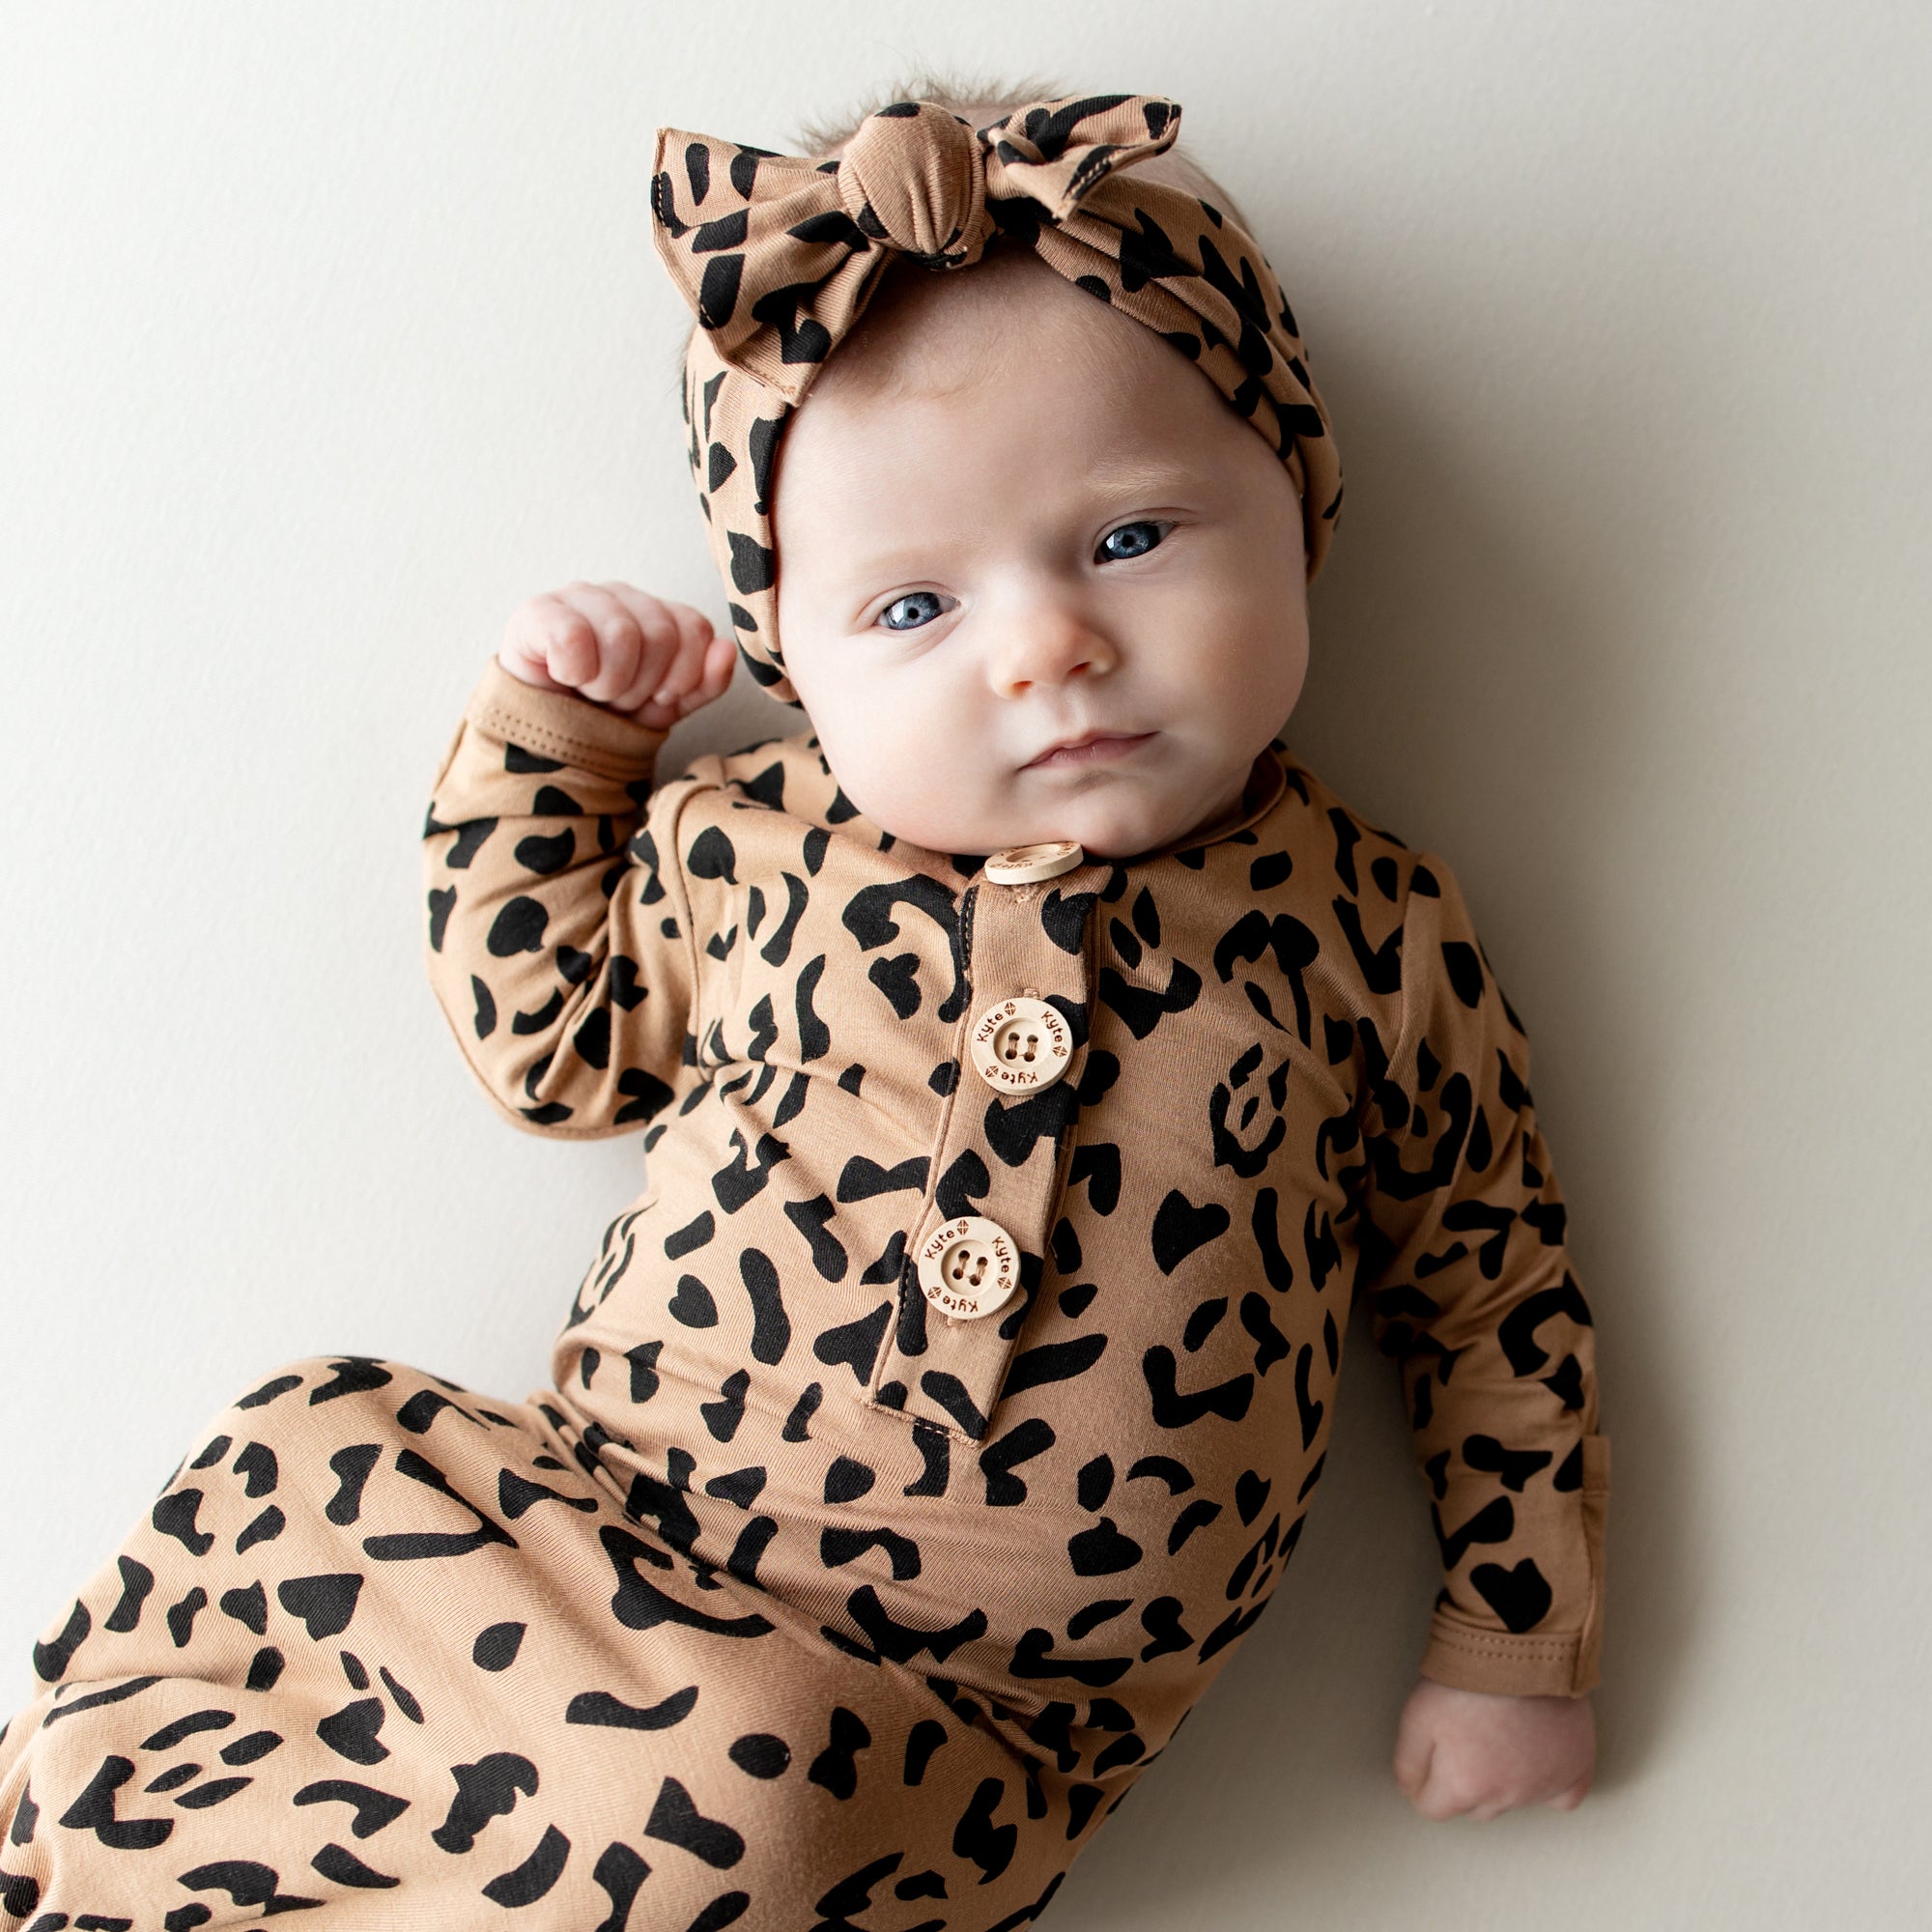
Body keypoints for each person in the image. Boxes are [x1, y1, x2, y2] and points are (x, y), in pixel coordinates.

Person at [0, 82, 1609, 1930]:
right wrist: (565, 749)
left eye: (1130, 539)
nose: (1043, 647)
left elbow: (1495, 1292)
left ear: (1299, 498)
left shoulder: (1368, 935)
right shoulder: (768, 846)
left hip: (962, 1745)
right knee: (355, 1489)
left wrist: (1516, 1634)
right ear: (793, 654)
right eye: (913, 608)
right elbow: (556, 1042)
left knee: (760, 1816)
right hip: (600, 1557)